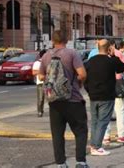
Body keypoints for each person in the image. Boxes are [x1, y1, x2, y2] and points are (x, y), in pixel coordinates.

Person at [38, 30, 89, 168]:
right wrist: (75, 82)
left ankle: (61, 163)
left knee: (57, 134)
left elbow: (40, 76)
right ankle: (81, 162)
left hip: (54, 101)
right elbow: (83, 74)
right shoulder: (72, 53)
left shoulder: (46, 55)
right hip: (73, 100)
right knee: (80, 131)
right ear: (66, 40)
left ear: (52, 41)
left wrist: (53, 81)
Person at [85, 39, 124, 156]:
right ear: (109, 48)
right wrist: (113, 55)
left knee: (95, 121)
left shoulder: (90, 62)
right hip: (107, 95)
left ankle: (93, 144)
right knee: (103, 121)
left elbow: (84, 78)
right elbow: (122, 68)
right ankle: (97, 146)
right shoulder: (111, 61)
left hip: (93, 95)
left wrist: (89, 90)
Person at [103, 40, 124, 145]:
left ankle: (106, 136)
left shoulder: (98, 54)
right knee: (120, 111)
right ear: (113, 45)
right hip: (117, 84)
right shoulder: (118, 54)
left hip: (105, 85)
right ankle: (121, 135)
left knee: (106, 111)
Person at [32, 49, 47, 117]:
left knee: (51, 98)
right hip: (40, 83)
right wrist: (41, 71)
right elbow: (33, 72)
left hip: (49, 82)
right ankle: (40, 111)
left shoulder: (49, 62)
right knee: (41, 98)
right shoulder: (37, 63)